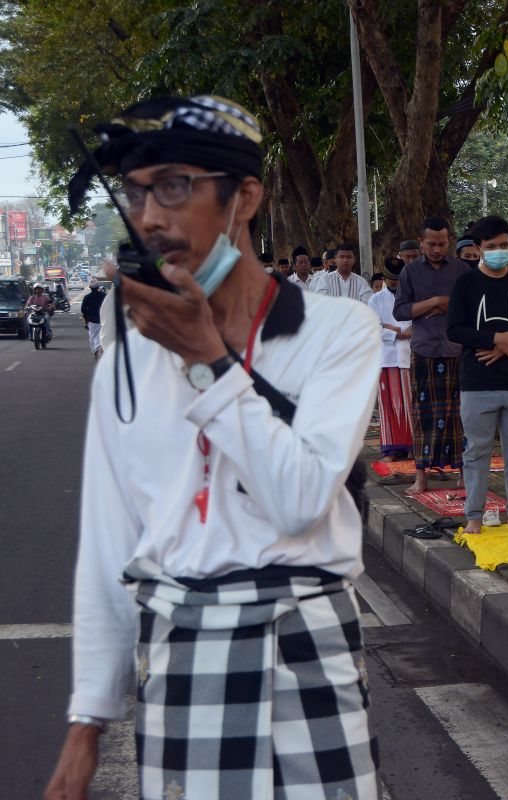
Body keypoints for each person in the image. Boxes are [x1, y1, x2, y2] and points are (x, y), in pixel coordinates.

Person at [50, 94, 379, 799]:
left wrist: (208, 361)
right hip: (182, 654)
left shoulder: (338, 330)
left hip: (308, 646)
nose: (152, 217)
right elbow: (110, 545)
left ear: (245, 196)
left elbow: (297, 499)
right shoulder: (124, 365)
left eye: (175, 187)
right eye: (137, 195)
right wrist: (87, 723)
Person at [446, 215, 508, 533]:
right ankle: (474, 516)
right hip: (477, 383)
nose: (499, 251)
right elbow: (454, 329)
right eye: (492, 247)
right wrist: (492, 338)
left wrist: (507, 344)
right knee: (477, 450)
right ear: (478, 248)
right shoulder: (465, 284)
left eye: (504, 245)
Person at [393, 217, 472, 494]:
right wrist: (435, 302)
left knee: (461, 414)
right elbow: (400, 311)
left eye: (441, 244)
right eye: (431, 244)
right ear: (422, 241)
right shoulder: (410, 272)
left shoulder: (462, 270)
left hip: (456, 350)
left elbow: (471, 307)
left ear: (448, 241)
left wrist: (441, 306)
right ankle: (421, 476)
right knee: (422, 413)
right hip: (424, 350)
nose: (437, 249)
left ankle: (464, 474)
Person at [369, 259, 414, 463]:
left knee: (412, 404)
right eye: (391, 280)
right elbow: (371, 327)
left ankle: (414, 446)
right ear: (385, 278)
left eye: (398, 280)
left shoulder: (414, 295)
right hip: (387, 359)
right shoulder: (376, 299)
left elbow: (419, 322)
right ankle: (391, 449)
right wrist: (394, 334)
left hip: (411, 355)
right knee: (389, 405)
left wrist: (396, 330)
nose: (395, 283)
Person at [80, 279, 105, 361]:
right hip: (103, 319)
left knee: (93, 337)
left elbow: (83, 310)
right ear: (98, 287)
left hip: (92, 320)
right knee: (102, 336)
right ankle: (102, 347)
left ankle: (96, 356)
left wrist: (89, 314)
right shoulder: (104, 295)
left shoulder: (87, 297)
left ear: (90, 288)